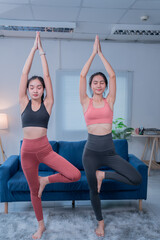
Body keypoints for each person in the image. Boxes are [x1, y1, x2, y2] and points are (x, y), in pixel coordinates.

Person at [19, 32, 81, 239]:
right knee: (33, 191)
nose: (35, 89)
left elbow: (47, 76)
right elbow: (23, 72)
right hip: (27, 153)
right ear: (28, 90)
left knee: (74, 174)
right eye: (31, 87)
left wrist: (42, 52)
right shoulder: (22, 103)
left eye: (38, 87)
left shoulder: (48, 103)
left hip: (45, 150)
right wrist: (32, 50)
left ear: (43, 90)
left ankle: (46, 180)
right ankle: (40, 226)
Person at [79, 35, 142, 237]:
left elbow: (113, 75)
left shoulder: (110, 101)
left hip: (108, 151)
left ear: (105, 86)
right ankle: (100, 222)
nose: (98, 85)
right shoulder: (85, 101)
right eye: (95, 82)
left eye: (101, 82)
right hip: (90, 152)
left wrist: (101, 54)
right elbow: (82, 76)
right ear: (91, 86)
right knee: (93, 191)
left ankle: (103, 175)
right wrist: (91, 54)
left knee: (136, 178)